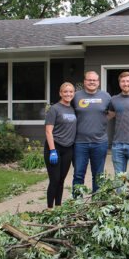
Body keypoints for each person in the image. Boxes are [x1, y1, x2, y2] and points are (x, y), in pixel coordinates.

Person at [72, 71, 111, 195]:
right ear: (84, 81)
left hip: (100, 142)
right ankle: (77, 203)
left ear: (98, 82)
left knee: (98, 175)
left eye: (94, 80)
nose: (92, 82)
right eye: (89, 80)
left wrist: (99, 120)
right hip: (79, 142)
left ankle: (97, 203)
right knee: (78, 174)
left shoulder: (106, 96)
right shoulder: (76, 96)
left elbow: (112, 112)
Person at [44, 82, 77, 210]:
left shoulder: (72, 108)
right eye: (65, 92)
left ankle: (58, 206)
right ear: (60, 93)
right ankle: (49, 208)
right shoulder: (55, 109)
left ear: (73, 94)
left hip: (68, 148)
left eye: (70, 92)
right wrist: (52, 150)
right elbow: (48, 131)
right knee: (54, 179)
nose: (68, 94)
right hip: (55, 147)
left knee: (62, 179)